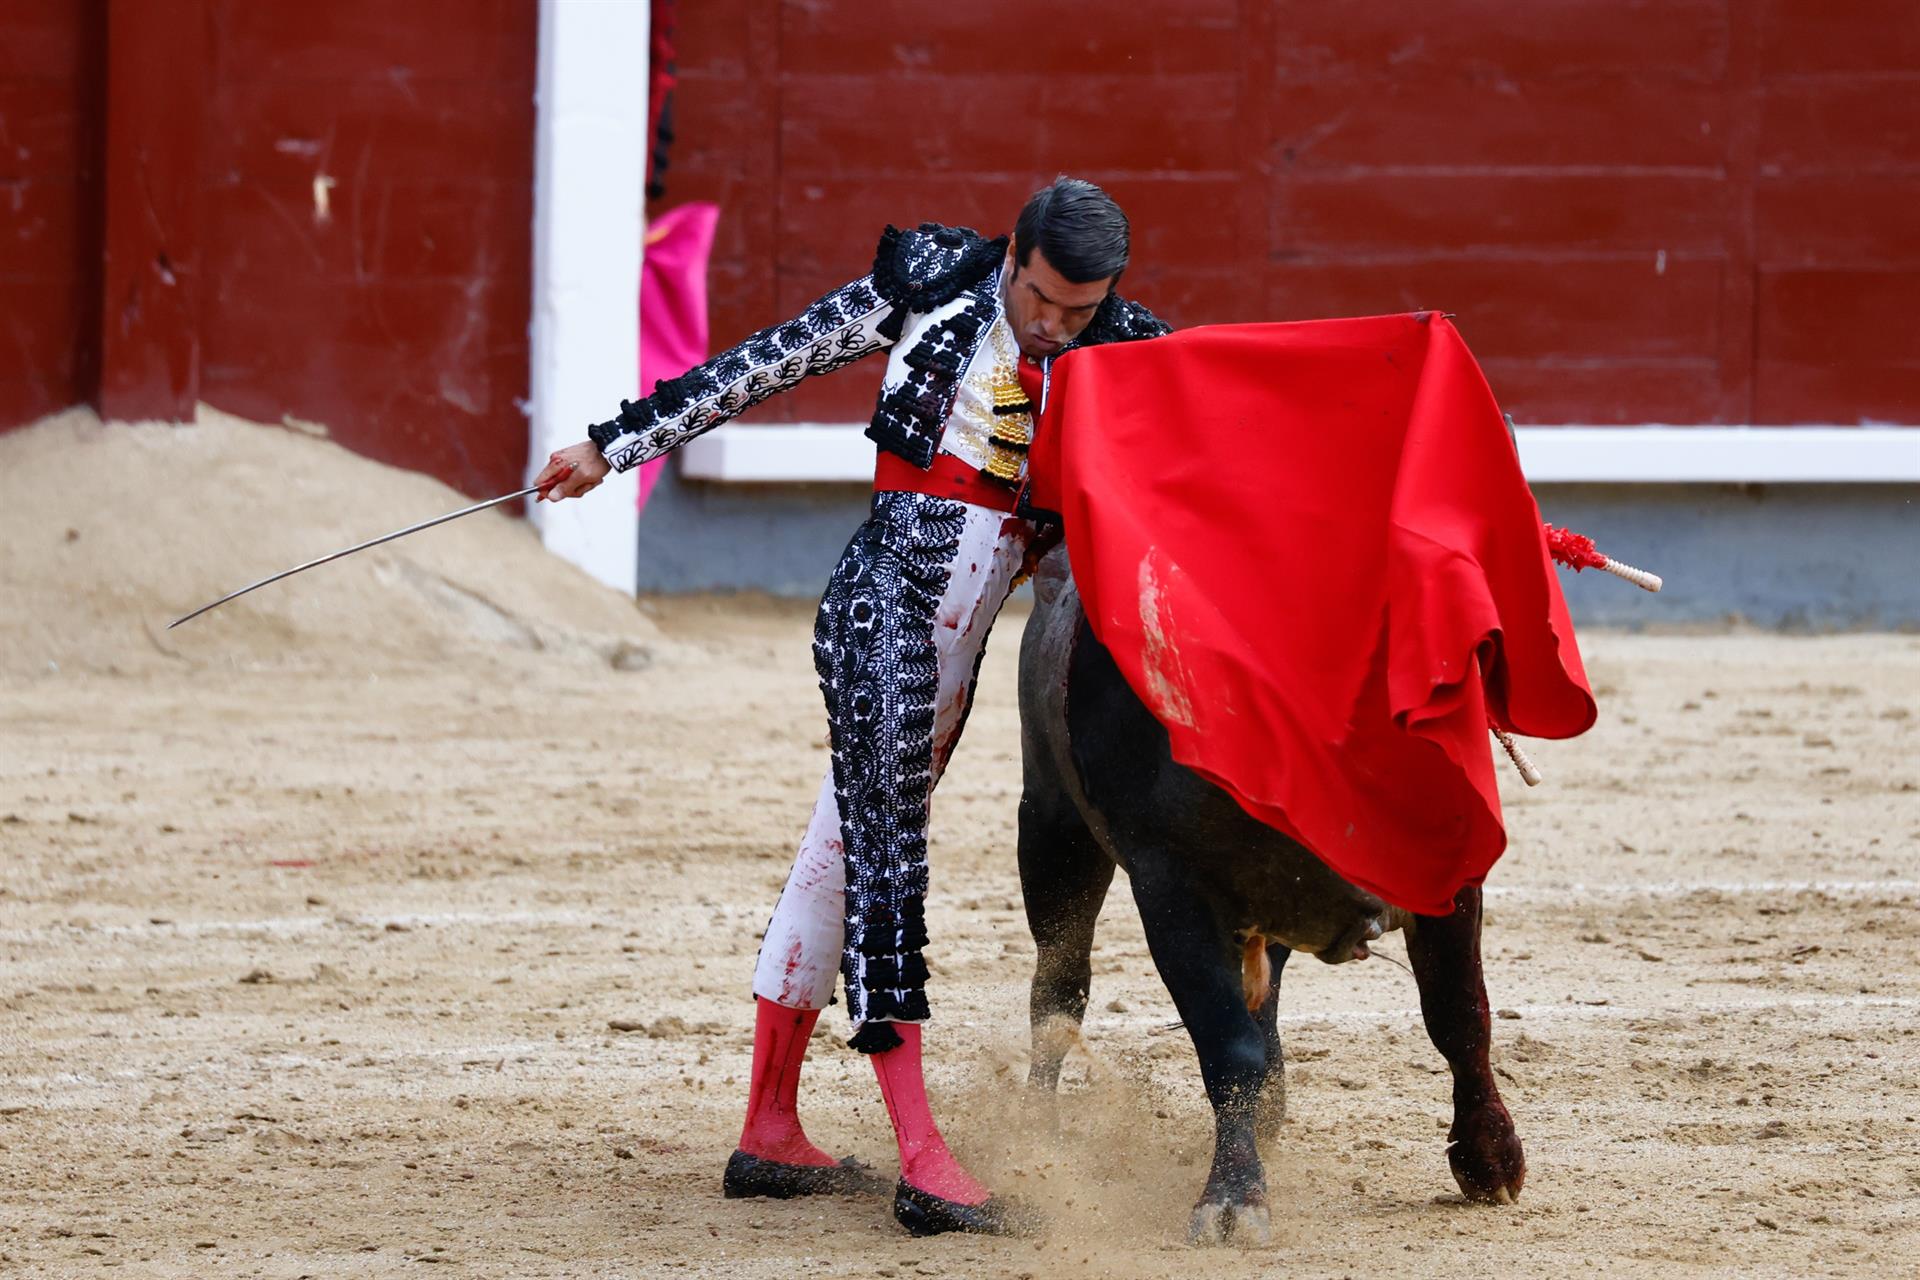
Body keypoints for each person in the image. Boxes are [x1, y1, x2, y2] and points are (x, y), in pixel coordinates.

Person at [536, 177, 1168, 1236]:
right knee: (887, 861)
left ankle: (771, 1128)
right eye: (1046, 299)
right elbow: (764, 362)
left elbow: (1227, 422)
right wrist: (615, 444)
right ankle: (923, 1154)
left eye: (1081, 308)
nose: (1056, 325)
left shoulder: (1120, 345)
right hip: (884, 609)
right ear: (1014, 253)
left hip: (960, 648)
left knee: (837, 853)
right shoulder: (928, 282)